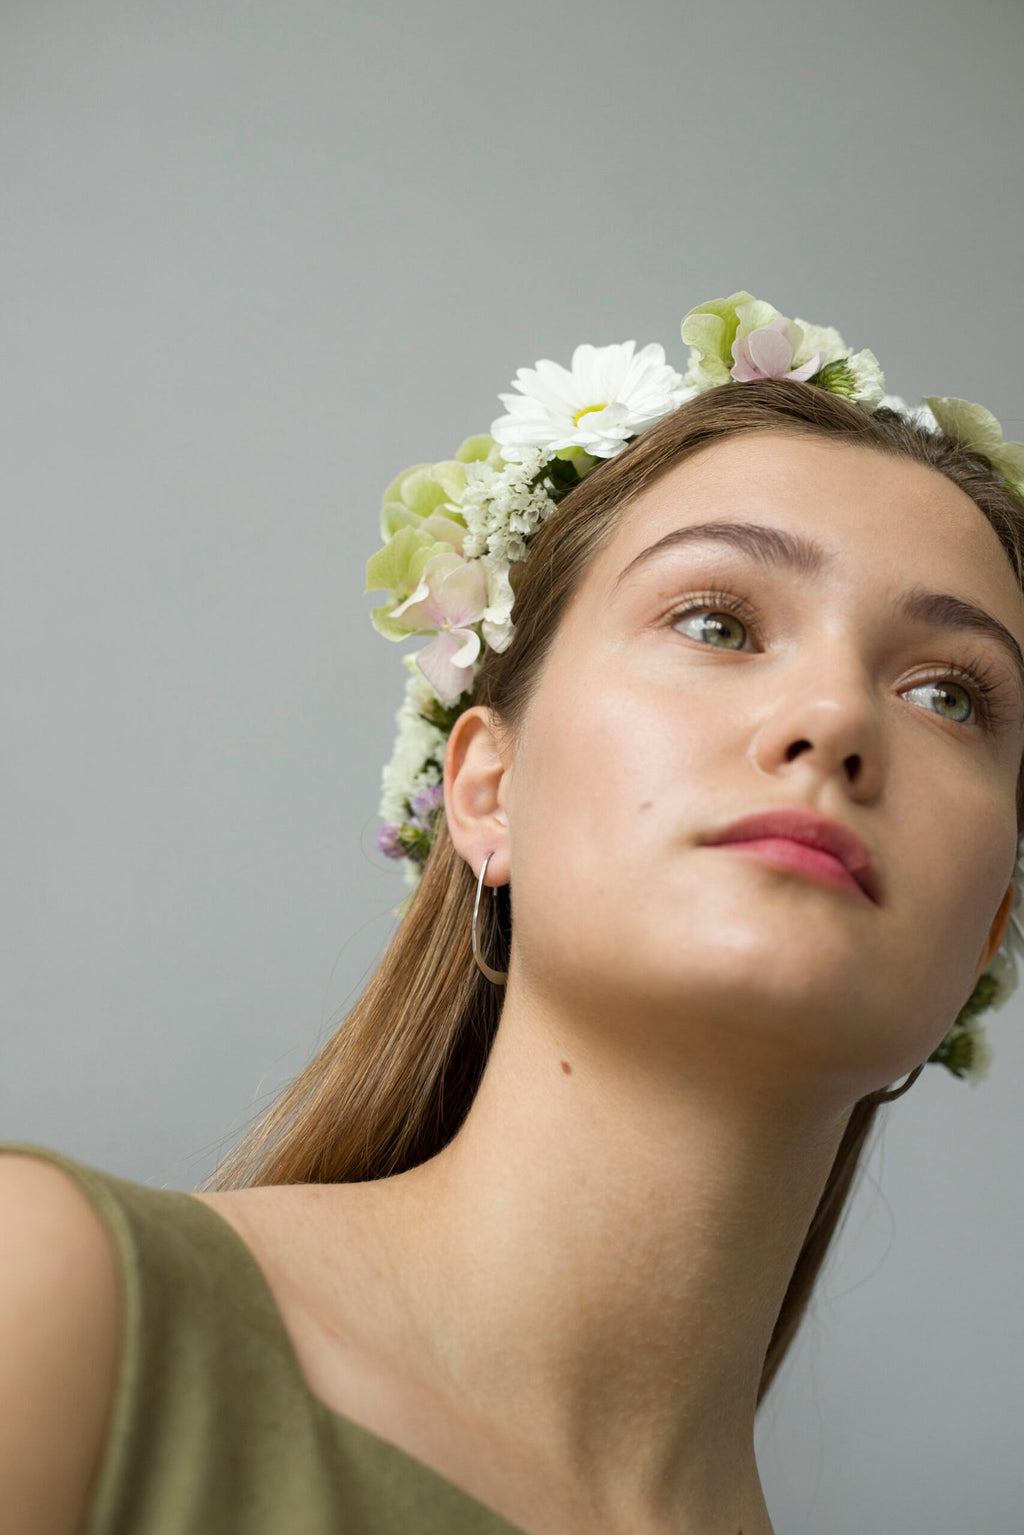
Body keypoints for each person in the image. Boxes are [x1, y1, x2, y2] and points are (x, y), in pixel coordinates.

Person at [4, 293, 1024, 1535]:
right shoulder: (54, 1306)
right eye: (716, 621)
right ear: (484, 789)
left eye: (952, 697)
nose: (836, 720)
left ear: (987, 932)